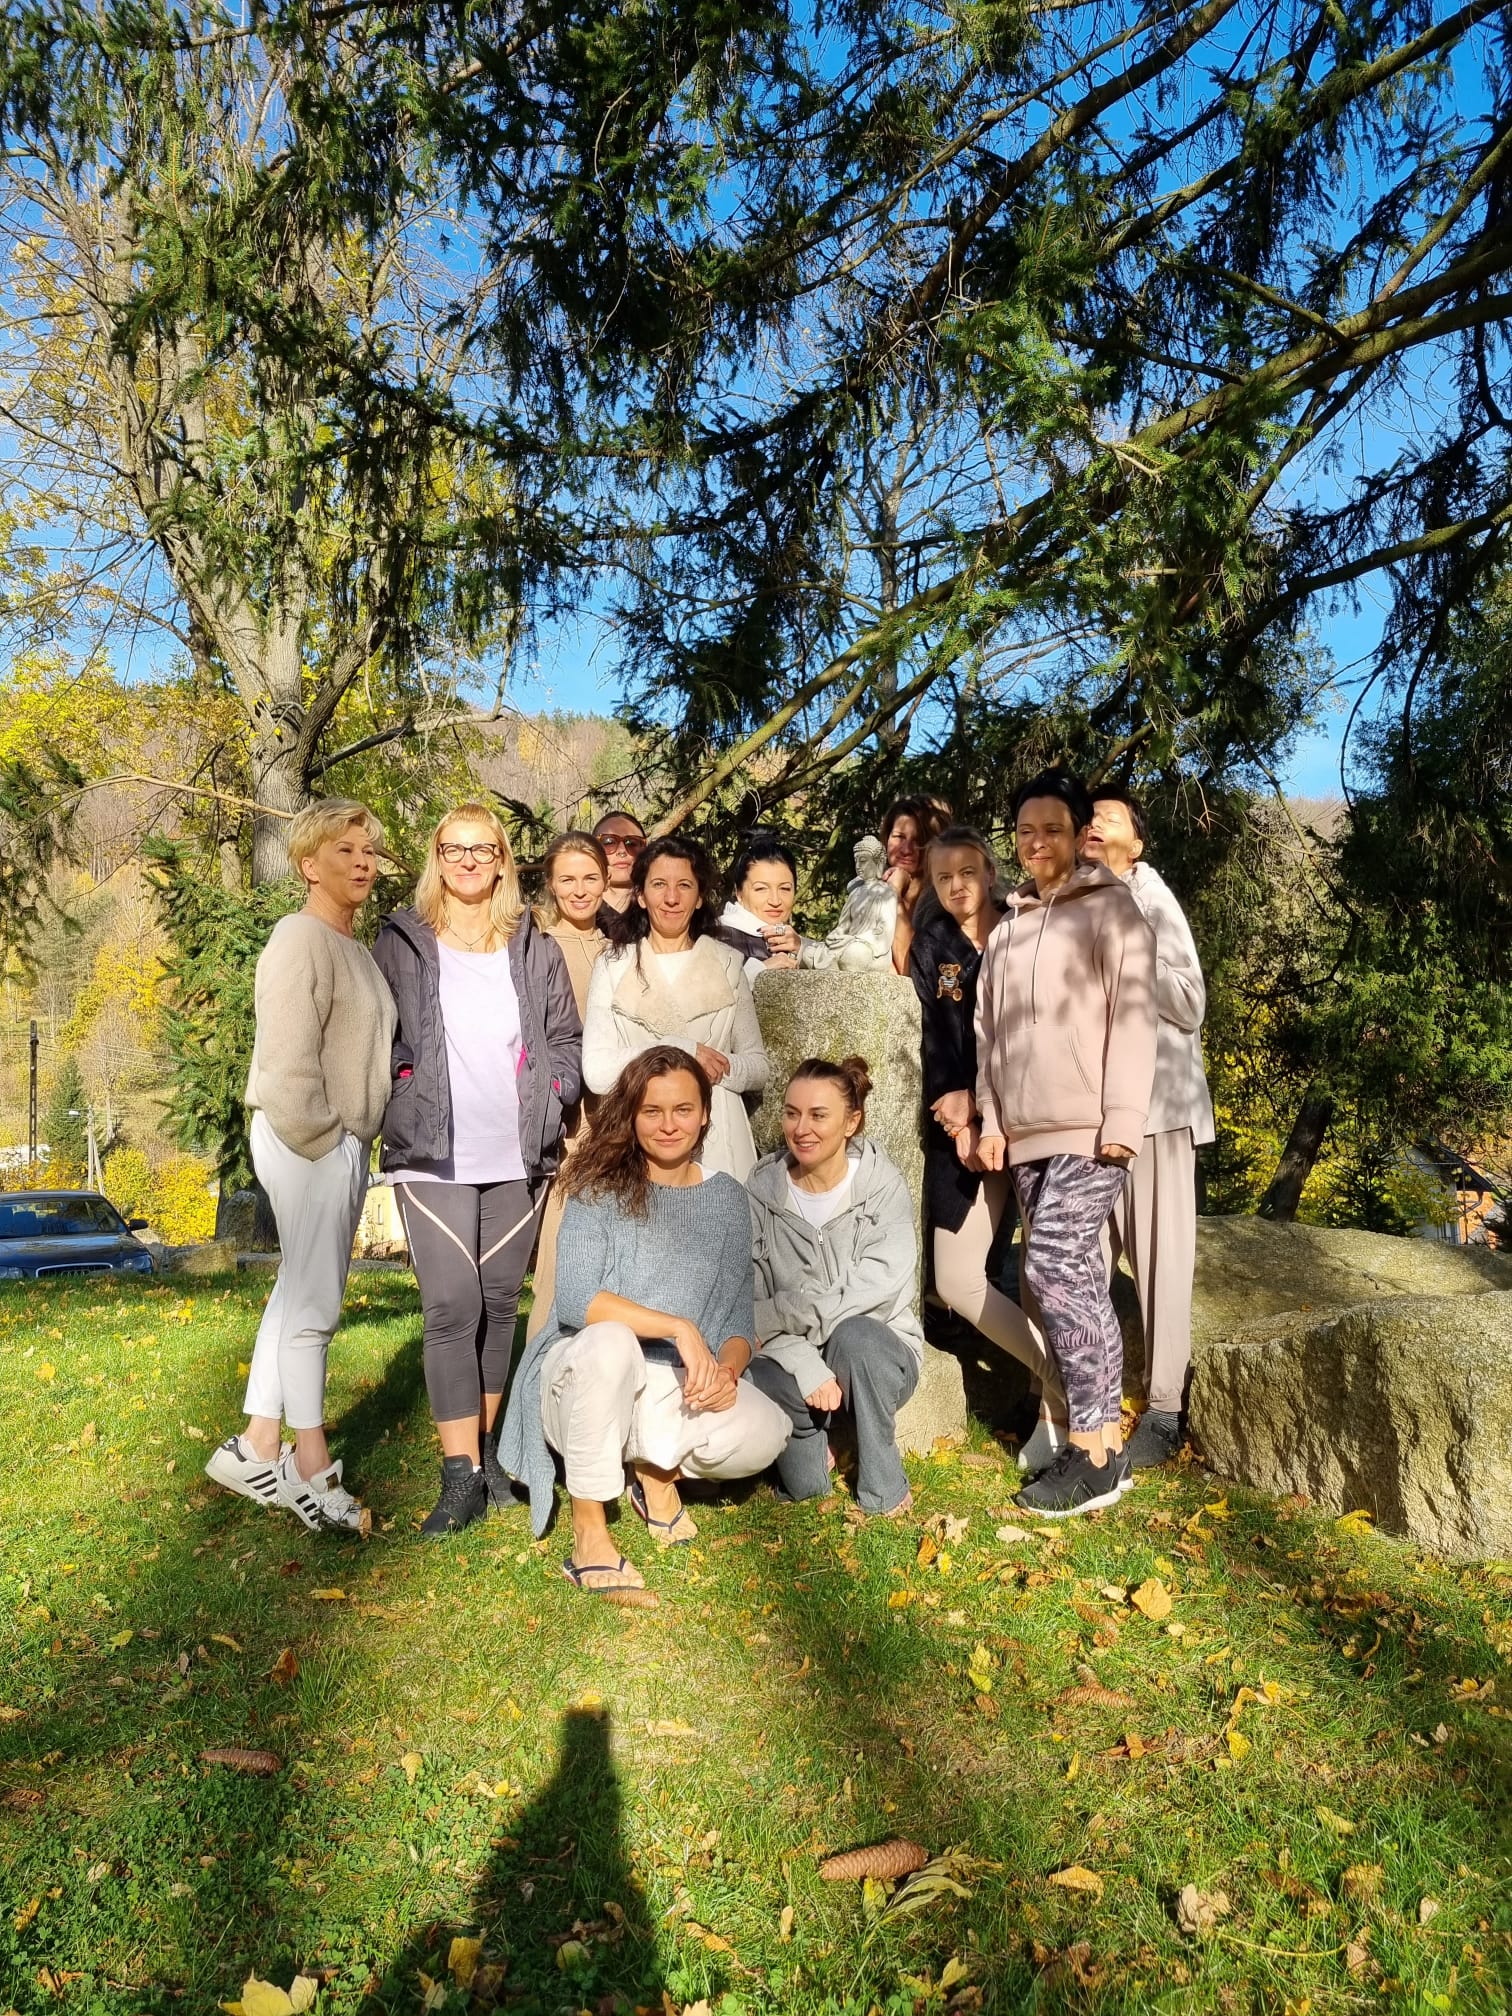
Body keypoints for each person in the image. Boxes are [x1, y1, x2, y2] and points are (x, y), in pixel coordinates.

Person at [496, 1046, 791, 1591]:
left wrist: (726, 1371)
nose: (668, 1125)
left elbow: (736, 1324)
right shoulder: (598, 1186)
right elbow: (577, 1302)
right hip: (582, 1372)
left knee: (767, 1430)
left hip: (666, 1384)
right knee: (612, 1342)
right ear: (631, 1115)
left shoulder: (727, 1200)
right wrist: (679, 1327)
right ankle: (589, 1532)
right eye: (652, 1111)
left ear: (705, 1114)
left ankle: (654, 1472)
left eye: (683, 1110)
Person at [372, 804, 582, 1535]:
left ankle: (488, 1455)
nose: (467, 861)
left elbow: (564, 1036)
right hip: (432, 1152)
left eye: (481, 849)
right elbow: (379, 1031)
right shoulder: (402, 939)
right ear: (437, 858)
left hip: (518, 1150)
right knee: (451, 1305)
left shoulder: (533, 944)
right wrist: (400, 1084)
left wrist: (555, 1091)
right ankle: (457, 1475)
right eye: (453, 849)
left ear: (501, 862)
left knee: (497, 1303)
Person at [205, 799, 396, 1535]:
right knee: (317, 1305)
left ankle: (256, 1444)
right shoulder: (299, 936)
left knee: (296, 1289)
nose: (362, 862)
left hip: (338, 1141)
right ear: (309, 864)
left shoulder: (355, 947)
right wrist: (328, 1140)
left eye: (368, 850)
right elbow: (286, 1063)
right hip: (308, 1139)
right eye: (345, 850)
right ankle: (309, 1466)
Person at [975, 768, 1157, 1518]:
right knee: (1073, 1274)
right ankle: (1100, 1444)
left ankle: (1092, 1451)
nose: (1037, 842)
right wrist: (992, 1120)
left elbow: (1134, 1019)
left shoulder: (1113, 911)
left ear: (1081, 835)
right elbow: (988, 1036)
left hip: (1091, 1129)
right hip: (1024, 1134)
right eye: (1026, 831)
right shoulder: (1007, 930)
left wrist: (1123, 1119)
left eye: (1052, 828)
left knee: (1052, 1265)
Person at [909, 825, 1069, 1472]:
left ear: (990, 872)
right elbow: (931, 1037)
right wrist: (960, 1116)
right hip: (961, 1133)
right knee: (955, 1278)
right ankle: (1061, 1373)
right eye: (943, 876)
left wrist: (987, 1105)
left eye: (967, 872)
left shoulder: (1024, 927)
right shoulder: (932, 945)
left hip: (1035, 1118)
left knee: (1046, 1269)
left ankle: (1056, 1411)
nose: (956, 886)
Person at [1083, 786, 1215, 1469]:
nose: (1093, 826)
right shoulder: (1068, 902)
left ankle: (1164, 1409)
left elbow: (1189, 1001)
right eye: (1088, 819)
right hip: (1088, 1113)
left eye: (1108, 819)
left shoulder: (1151, 898)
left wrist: (1127, 945)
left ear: (1135, 845)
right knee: (1081, 1259)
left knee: (1161, 1263)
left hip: (1158, 1112)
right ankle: (1083, 1402)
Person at [745, 1057, 921, 1516]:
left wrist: (786, 1315)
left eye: (818, 1115)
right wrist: (804, 1362)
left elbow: (877, 1290)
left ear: (851, 1122)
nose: (801, 1128)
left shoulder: (883, 1186)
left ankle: (884, 1486)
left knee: (856, 1336)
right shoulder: (760, 1189)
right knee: (753, 1370)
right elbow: (753, 1303)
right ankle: (811, 1451)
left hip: (873, 1354)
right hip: (792, 1358)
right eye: (791, 1113)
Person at [582, 835, 768, 1179]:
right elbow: (597, 1072)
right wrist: (679, 1050)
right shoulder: (613, 965)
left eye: (684, 885)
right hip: (639, 1135)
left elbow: (758, 1066)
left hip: (719, 1136)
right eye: (658, 885)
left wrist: (716, 1068)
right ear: (640, 895)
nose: (671, 898)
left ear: (700, 897)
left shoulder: (728, 963)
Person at [526, 831, 612, 1342]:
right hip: (569, 1121)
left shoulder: (622, 946)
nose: (579, 890)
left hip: (620, 1115)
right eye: (567, 879)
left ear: (605, 880)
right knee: (560, 1252)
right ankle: (541, 1362)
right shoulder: (536, 945)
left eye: (590, 878)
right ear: (552, 884)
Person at [718, 837, 815, 981]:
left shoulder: (794, 942)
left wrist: (802, 948)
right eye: (761, 889)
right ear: (739, 893)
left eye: (785, 888)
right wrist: (759, 970)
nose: (775, 901)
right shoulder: (716, 938)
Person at [880, 796, 949, 972]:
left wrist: (893, 894)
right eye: (899, 837)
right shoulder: (872, 890)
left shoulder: (944, 901)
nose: (906, 849)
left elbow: (914, 970)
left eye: (919, 841)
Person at [591, 809, 647, 924]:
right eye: (609, 842)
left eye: (632, 843)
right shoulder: (576, 911)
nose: (622, 851)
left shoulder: (661, 909)